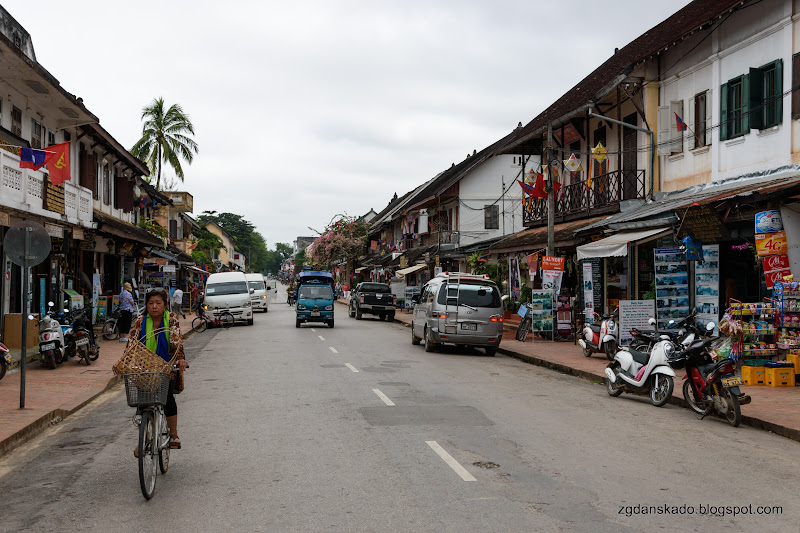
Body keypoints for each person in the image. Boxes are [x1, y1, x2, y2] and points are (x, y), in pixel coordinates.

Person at [122, 288, 188, 455]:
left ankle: (173, 434)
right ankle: (143, 439)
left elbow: (176, 341)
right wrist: (126, 361)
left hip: (167, 365)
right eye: (150, 303)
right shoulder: (140, 321)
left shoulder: (172, 319)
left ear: (165, 305)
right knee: (142, 402)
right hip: (146, 367)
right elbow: (132, 343)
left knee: (166, 397)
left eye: (158, 303)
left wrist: (180, 359)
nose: (154, 306)